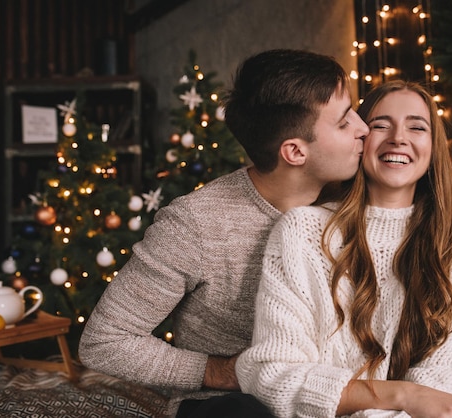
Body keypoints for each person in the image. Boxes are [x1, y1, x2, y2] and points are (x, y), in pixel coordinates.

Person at [78, 48, 370, 417]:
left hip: (337, 394)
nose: (364, 128)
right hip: (235, 404)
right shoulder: (196, 225)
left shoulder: (356, 198)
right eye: (344, 123)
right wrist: (221, 371)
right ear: (295, 152)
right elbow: (105, 342)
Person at [235, 80, 452, 417]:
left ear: (433, 147)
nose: (398, 138)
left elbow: (445, 384)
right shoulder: (302, 231)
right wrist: (403, 396)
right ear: (359, 139)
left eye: (417, 127)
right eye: (380, 125)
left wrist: (398, 402)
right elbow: (272, 374)